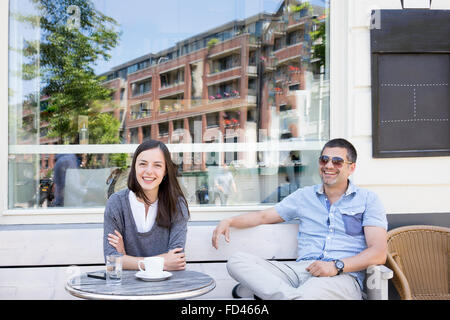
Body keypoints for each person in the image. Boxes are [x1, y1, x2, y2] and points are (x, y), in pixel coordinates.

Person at [212, 138, 387, 300]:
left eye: (337, 161)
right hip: (300, 270)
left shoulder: (367, 200)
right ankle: (291, 296)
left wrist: (336, 266)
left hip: (341, 277)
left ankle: (264, 292)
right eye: (324, 160)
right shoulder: (304, 197)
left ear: (352, 167)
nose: (329, 165)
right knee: (237, 261)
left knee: (309, 293)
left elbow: (379, 252)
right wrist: (230, 221)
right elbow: (263, 216)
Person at [104, 139, 190, 271]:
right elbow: (111, 261)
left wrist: (125, 257)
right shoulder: (117, 203)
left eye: (157, 165)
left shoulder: (176, 205)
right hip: (127, 288)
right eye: (143, 164)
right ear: (134, 167)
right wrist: (163, 261)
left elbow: (175, 261)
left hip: (167, 287)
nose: (149, 171)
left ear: (165, 171)